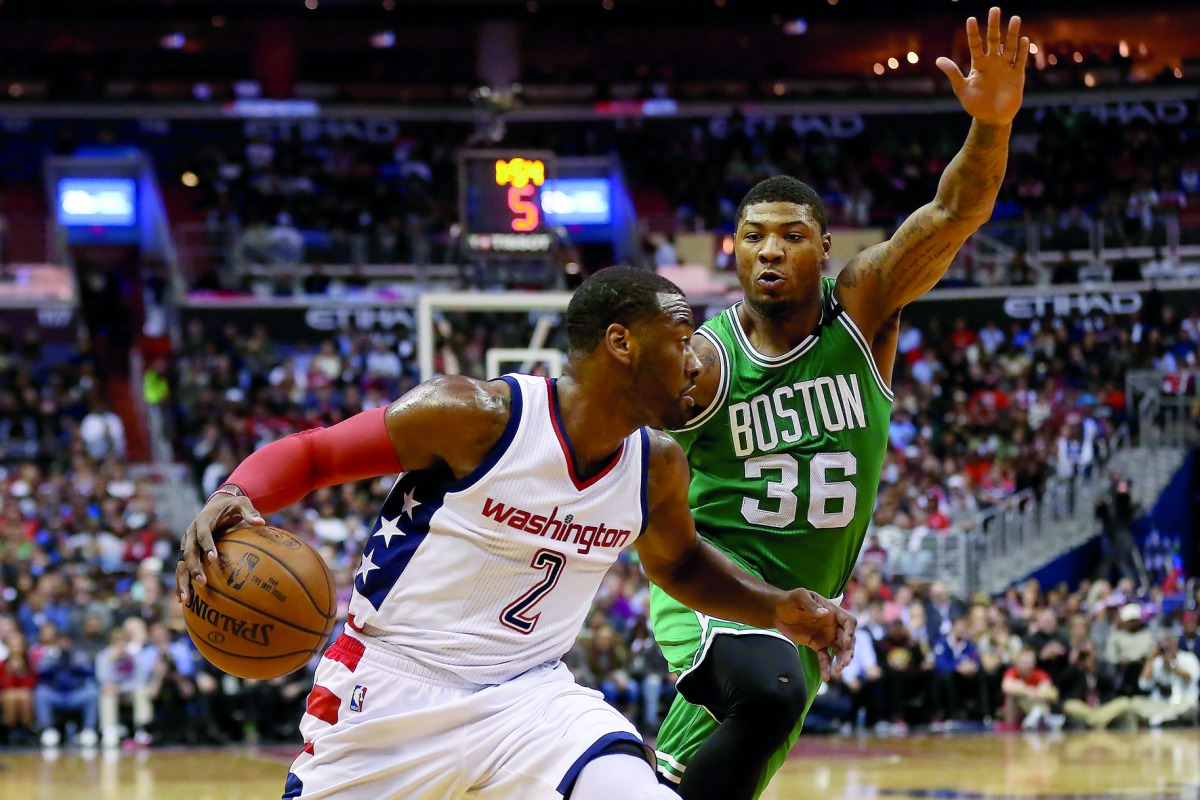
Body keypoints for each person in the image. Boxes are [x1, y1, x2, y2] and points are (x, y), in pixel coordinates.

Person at [175, 267, 855, 800]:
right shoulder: (475, 416)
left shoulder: (657, 465)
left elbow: (678, 568)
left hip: (530, 697)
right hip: (395, 687)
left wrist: (777, 609)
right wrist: (237, 494)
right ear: (621, 342)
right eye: (681, 341)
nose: (696, 362)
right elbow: (319, 454)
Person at [649, 7, 1030, 797]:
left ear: (825, 247)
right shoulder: (706, 359)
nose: (770, 250)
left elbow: (956, 212)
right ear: (734, 249)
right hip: (719, 594)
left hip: (806, 613)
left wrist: (991, 127)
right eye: (753, 235)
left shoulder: (864, 308)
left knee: (684, 782)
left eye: (790, 234)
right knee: (770, 696)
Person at [1000, 647, 1060, 731]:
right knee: (1016, 690)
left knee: (1043, 692)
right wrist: (1028, 690)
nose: (1027, 665)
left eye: (1030, 662)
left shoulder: (1040, 674)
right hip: (1015, 712)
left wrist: (1037, 692)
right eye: (1024, 662)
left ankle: (1036, 716)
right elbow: (1006, 686)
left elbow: (1053, 694)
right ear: (1017, 662)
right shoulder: (1012, 672)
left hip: (1034, 704)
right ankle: (1037, 716)